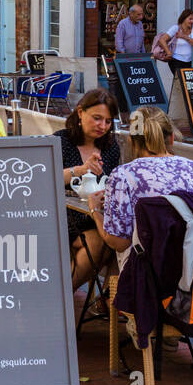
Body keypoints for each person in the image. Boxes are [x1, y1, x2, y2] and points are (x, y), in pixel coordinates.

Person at [90, 107, 193, 275]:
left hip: (148, 275)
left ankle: (113, 299)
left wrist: (95, 210)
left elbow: (119, 242)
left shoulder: (123, 175)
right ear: (171, 138)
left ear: (132, 141)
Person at [56, 88, 122, 289]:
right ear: (80, 112)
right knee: (99, 244)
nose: (102, 126)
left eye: (108, 121)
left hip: (98, 215)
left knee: (122, 238)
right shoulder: (60, 141)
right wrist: (80, 169)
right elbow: (46, 178)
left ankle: (111, 298)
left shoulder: (110, 146)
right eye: (97, 118)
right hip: (65, 216)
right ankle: (64, 297)